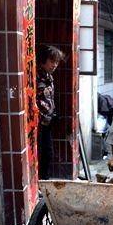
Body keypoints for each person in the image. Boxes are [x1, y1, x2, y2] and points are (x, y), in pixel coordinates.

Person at [36, 44, 64, 180]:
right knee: (41, 153)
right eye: (52, 61)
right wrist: (41, 116)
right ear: (43, 60)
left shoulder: (48, 76)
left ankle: (44, 181)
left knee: (48, 153)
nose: (55, 65)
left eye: (57, 62)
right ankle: (40, 182)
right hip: (38, 122)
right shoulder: (35, 75)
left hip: (48, 120)